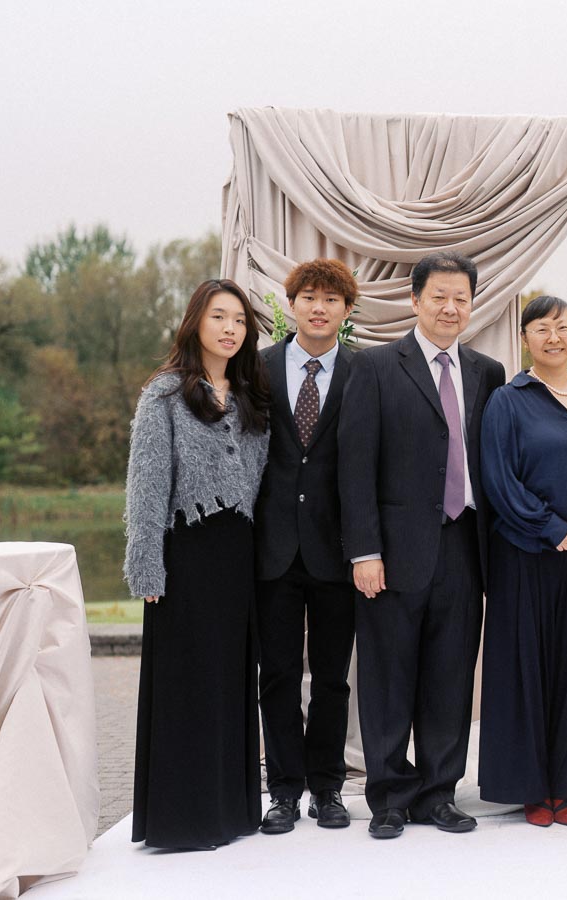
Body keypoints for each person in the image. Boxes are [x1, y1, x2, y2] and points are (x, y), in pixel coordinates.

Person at [338, 251, 505, 840]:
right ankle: (387, 796)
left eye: (460, 297)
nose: (450, 307)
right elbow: (354, 467)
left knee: (451, 675)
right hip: (391, 551)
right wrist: (363, 551)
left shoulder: (488, 372)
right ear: (415, 299)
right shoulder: (376, 367)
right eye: (438, 296)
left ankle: (439, 792)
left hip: (465, 547)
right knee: (385, 675)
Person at [123, 278, 270, 850]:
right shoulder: (163, 395)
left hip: (238, 560)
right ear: (195, 323)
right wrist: (147, 569)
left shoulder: (251, 394)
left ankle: (229, 810)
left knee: (230, 681)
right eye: (219, 317)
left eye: (239, 319)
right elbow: (146, 489)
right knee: (187, 684)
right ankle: (184, 818)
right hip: (186, 557)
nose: (230, 328)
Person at [478, 295, 567, 828]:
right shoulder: (507, 400)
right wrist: (554, 528)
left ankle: (564, 782)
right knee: (525, 668)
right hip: (525, 553)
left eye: (562, 327)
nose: (553, 337)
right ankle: (529, 786)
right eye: (541, 329)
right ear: (525, 338)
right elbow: (498, 480)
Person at [254, 259, 359, 834]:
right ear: (292, 304)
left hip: (338, 550)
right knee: (277, 676)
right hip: (272, 549)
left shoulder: (363, 372)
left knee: (332, 677)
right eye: (309, 297)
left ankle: (327, 788)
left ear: (346, 311)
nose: (319, 308)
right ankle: (284, 791)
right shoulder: (259, 367)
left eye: (331, 300)